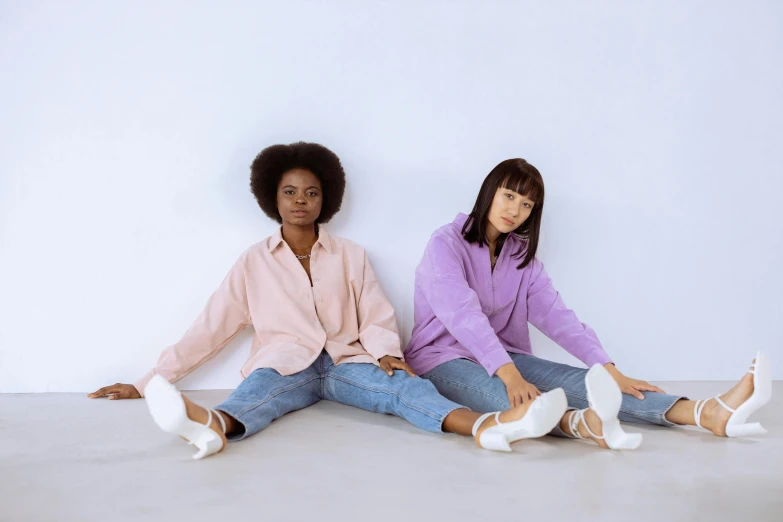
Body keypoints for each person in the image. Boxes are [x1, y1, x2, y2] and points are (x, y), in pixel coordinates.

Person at [89, 143, 569, 459]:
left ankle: (489, 427)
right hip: (286, 363)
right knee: (256, 394)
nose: (301, 200)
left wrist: (387, 353)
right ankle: (211, 427)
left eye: (312, 192)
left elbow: (377, 310)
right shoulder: (254, 262)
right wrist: (148, 381)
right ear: (271, 198)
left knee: (407, 391)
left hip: (349, 360)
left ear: (326, 200)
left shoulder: (351, 255)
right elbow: (211, 327)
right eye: (290, 192)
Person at [405, 158, 772, 450]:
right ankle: (584, 424)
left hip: (503, 356)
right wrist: (510, 373)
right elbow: (463, 315)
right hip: (441, 359)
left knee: (590, 382)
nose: (515, 210)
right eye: (509, 196)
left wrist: (607, 367)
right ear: (490, 192)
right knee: (509, 396)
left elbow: (557, 316)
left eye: (527, 204)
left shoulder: (521, 257)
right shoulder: (445, 243)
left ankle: (705, 412)